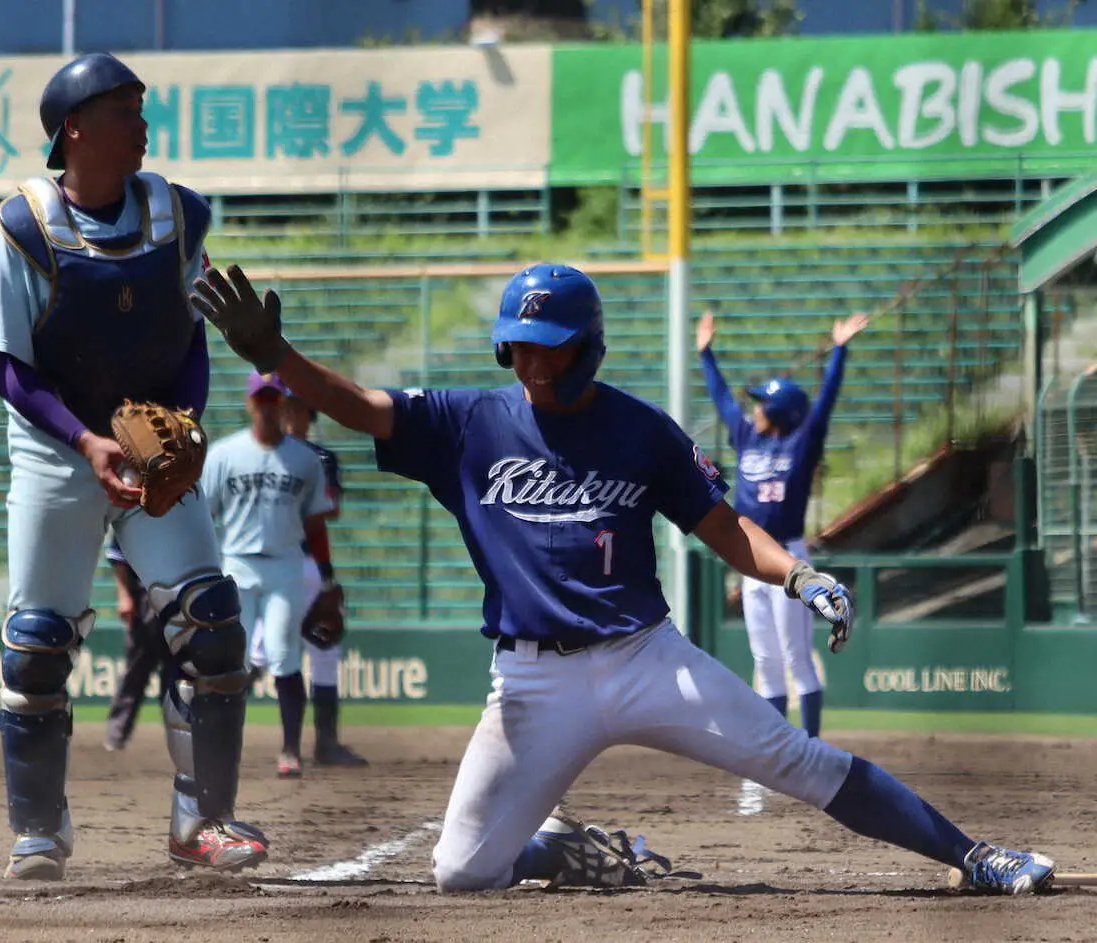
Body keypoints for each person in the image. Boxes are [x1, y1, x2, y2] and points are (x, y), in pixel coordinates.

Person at [189, 261, 1056, 895]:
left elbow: (725, 528)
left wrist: (797, 575)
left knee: (799, 757)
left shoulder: (644, 433)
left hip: (648, 659)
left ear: (586, 349)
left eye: (549, 349)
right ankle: (555, 850)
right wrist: (280, 355)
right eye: (519, 346)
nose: (532, 362)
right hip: (530, 679)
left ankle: (975, 856)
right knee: (461, 871)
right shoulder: (465, 421)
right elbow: (360, 405)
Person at [0, 53, 267, 880]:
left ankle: (203, 822)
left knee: (211, 620)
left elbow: (193, 337)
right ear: (74, 129)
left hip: (149, 449)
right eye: (126, 109)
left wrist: (186, 425)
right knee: (36, 644)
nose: (143, 124)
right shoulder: (21, 227)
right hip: (58, 451)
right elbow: (10, 368)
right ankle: (38, 830)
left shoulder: (176, 214)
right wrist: (87, 441)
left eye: (142, 108)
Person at [696, 309, 869, 739]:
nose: (754, 409)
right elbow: (722, 400)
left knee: (797, 657)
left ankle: (811, 745)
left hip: (791, 557)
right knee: (765, 659)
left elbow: (826, 401)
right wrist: (705, 355)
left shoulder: (802, 442)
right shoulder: (747, 437)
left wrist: (840, 350)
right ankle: (777, 747)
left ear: (780, 411)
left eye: (762, 403)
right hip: (752, 559)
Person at [202, 371, 335, 779]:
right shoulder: (225, 454)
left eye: (273, 397)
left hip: (285, 564)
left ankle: (290, 749)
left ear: (283, 402)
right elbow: (205, 516)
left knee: (281, 652)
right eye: (260, 398)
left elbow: (316, 521)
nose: (266, 405)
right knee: (234, 658)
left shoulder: (305, 458)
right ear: (249, 403)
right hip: (236, 563)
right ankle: (225, 746)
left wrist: (327, 579)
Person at [280, 392, 369, 766]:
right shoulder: (260, 455)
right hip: (270, 566)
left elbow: (329, 508)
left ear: (309, 412)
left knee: (325, 651)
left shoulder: (321, 457)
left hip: (312, 565)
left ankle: (325, 743)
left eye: (297, 406)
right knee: (261, 656)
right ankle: (221, 740)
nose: (290, 414)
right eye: (285, 406)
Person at [102, 538, 170, 752]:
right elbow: (117, 557)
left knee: (176, 675)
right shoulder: (132, 511)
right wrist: (124, 596)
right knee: (136, 671)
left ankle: (181, 736)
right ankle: (116, 734)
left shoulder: (181, 515)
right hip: (144, 599)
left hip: (177, 599)